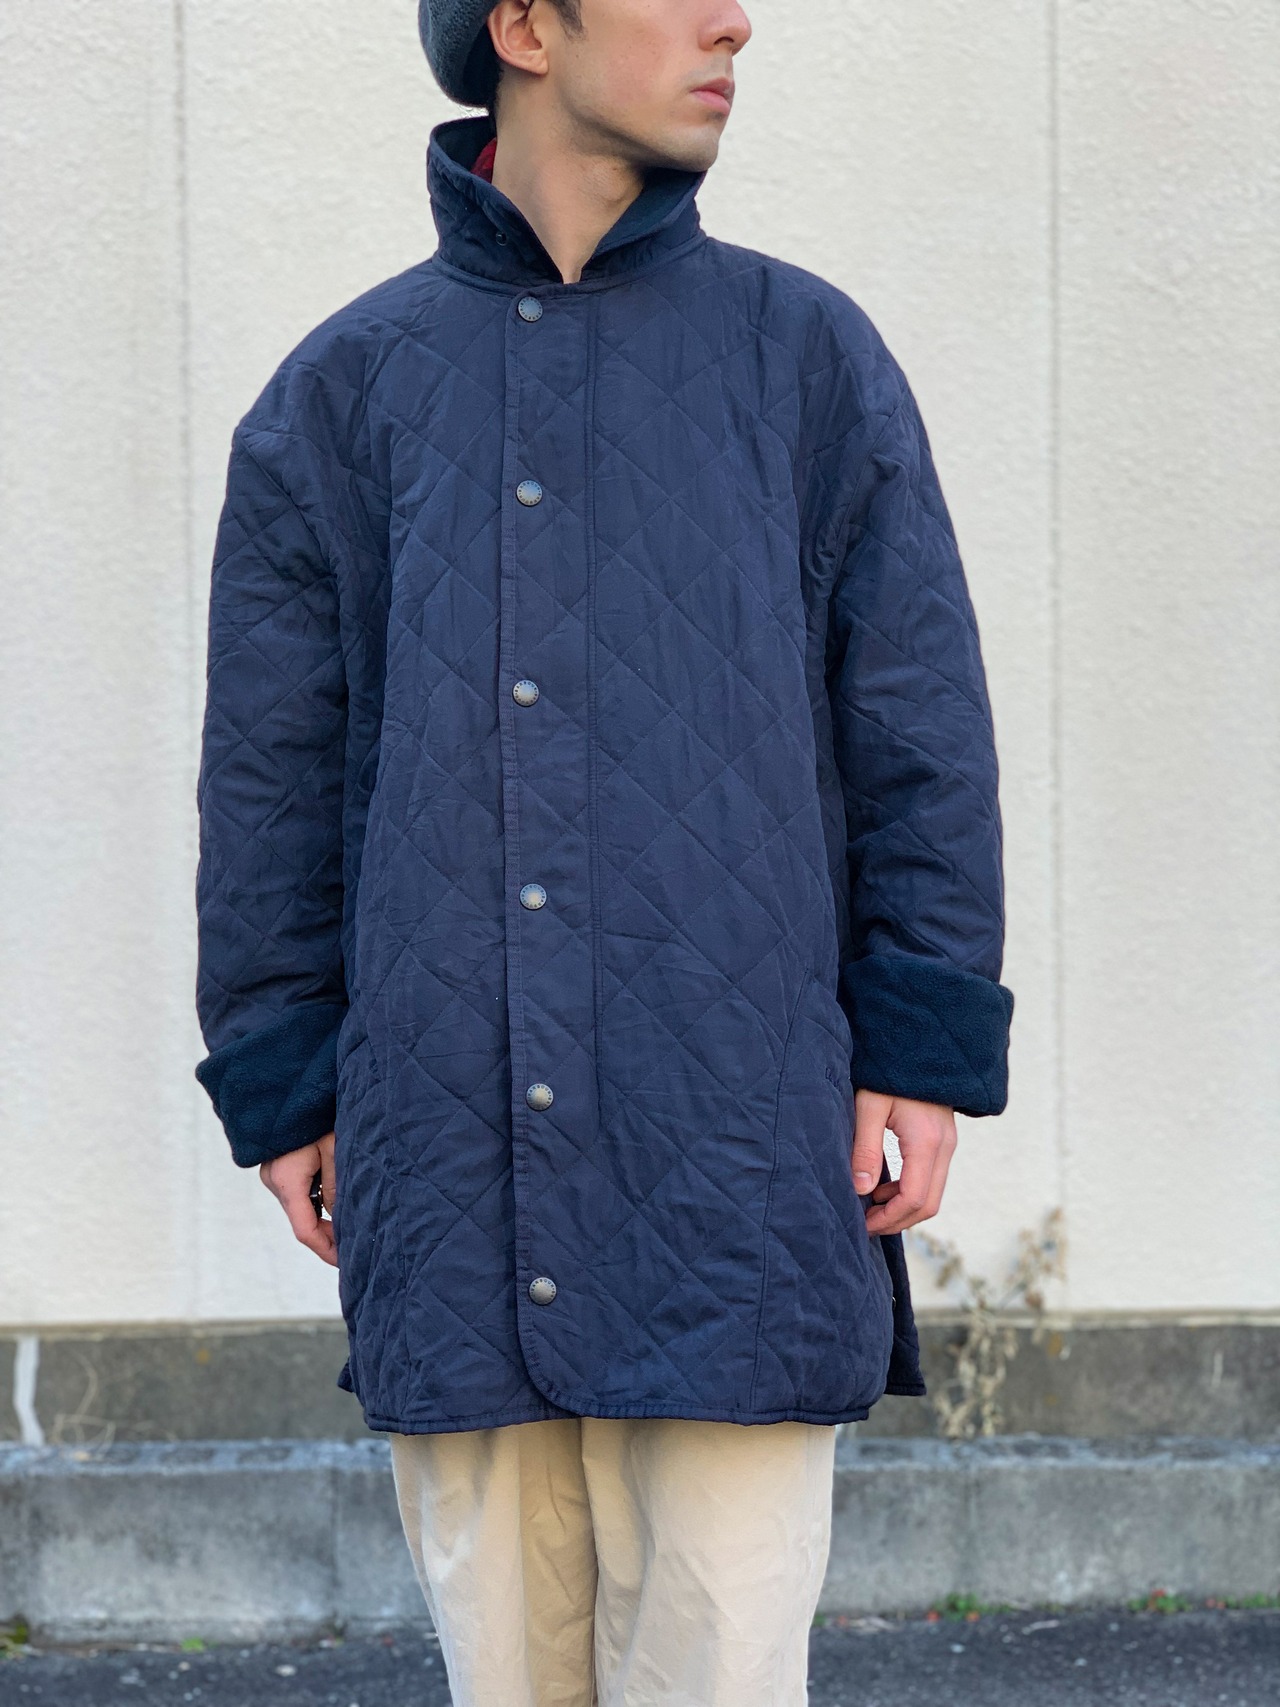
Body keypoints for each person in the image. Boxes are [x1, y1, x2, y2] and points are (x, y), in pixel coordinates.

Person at [193, 1, 1014, 1700]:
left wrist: (922, 1045)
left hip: (737, 1143)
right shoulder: (341, 396)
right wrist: (282, 1074)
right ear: (523, 25)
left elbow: (918, 728)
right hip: (449, 1145)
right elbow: (272, 778)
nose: (734, 21)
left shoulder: (805, 360)